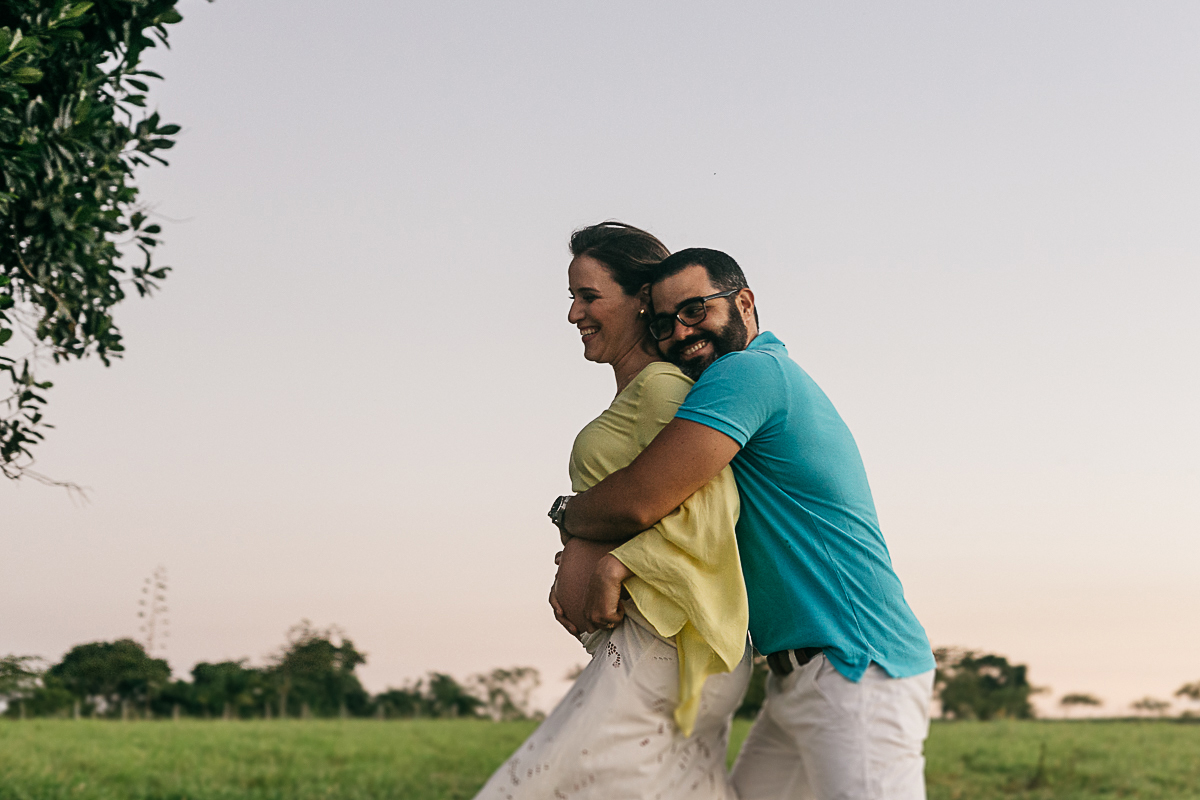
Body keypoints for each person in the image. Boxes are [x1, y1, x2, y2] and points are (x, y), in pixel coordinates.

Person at [554, 248, 938, 800]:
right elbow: (696, 516)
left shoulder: (746, 372)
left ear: (744, 303)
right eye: (664, 323)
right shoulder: (758, 375)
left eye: (695, 310)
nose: (681, 332)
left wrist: (568, 517)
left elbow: (643, 498)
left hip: (856, 667)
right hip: (799, 677)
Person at [473, 226, 751, 800]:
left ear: (642, 300)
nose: (574, 313)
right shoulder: (642, 393)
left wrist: (614, 563)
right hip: (655, 643)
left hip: (663, 643)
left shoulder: (662, 387)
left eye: (589, 296)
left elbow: (713, 509)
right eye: (572, 298)